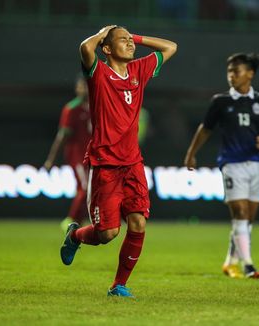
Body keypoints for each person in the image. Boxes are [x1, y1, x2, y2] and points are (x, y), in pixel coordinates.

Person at [60, 25, 177, 298]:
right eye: (122, 41)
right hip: (105, 164)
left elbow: (170, 47)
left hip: (133, 162)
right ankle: (75, 236)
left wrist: (134, 36)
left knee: (138, 223)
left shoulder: (139, 70)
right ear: (108, 49)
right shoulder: (99, 73)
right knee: (107, 234)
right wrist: (104, 33)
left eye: (130, 40)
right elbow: (85, 48)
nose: (130, 44)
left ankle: (118, 285)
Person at [184, 53, 259, 279]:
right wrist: (191, 154)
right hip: (231, 163)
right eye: (229, 72)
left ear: (250, 74)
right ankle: (248, 265)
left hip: (256, 163)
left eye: (236, 71)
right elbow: (205, 128)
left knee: (247, 219)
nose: (231, 76)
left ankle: (230, 262)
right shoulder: (221, 101)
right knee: (240, 212)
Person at [44, 76, 91, 232]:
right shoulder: (71, 109)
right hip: (77, 155)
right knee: (84, 188)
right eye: (81, 86)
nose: (84, 89)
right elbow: (62, 136)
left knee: (93, 189)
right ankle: (70, 221)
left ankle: (81, 221)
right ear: (76, 88)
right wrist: (51, 159)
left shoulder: (99, 106)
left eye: (87, 85)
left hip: (95, 155)